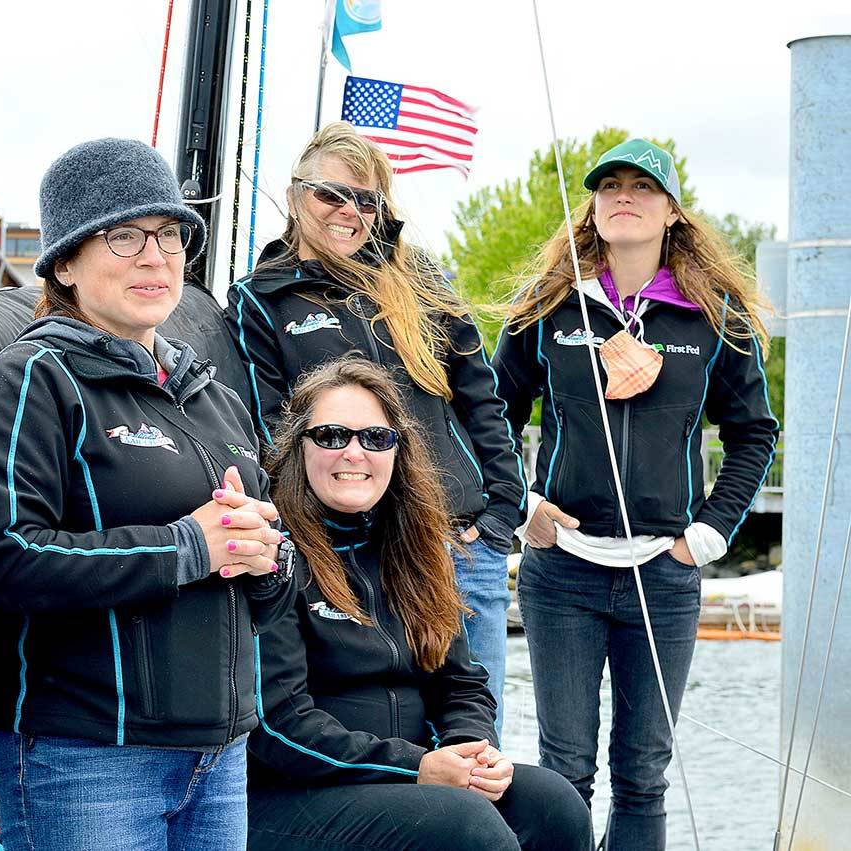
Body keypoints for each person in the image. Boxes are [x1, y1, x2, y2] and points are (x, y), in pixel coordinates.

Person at [0, 137, 296, 851]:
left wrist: (271, 558)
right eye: (125, 235)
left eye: (171, 235)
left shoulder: (216, 399)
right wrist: (187, 546)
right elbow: (4, 557)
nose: (156, 255)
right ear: (67, 262)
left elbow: (265, 589)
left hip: (218, 755)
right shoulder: (34, 381)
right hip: (87, 757)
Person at [492, 138, 779, 850]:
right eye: (610, 185)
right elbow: (488, 411)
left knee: (644, 772)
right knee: (564, 769)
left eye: (644, 187)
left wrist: (706, 535)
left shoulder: (714, 319)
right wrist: (524, 505)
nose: (625, 196)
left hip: (665, 573)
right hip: (562, 573)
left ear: (674, 212)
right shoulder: (551, 309)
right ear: (591, 207)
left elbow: (754, 433)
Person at [225, 122, 525, 732]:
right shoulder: (263, 299)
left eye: (366, 200)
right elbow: (272, 429)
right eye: (330, 194)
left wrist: (502, 513)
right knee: (392, 735)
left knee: (477, 739)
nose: (348, 212)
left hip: (461, 543)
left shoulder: (421, 282)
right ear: (293, 196)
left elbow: (481, 399)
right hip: (365, 553)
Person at [246, 356, 591, 851]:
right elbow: (280, 726)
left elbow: (462, 683)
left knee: (553, 804)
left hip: (413, 776)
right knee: (466, 829)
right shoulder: (274, 556)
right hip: (295, 789)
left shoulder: (414, 552)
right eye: (330, 436)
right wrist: (419, 768)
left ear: (397, 451)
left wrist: (466, 751)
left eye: (375, 438)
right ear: (298, 448)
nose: (353, 453)